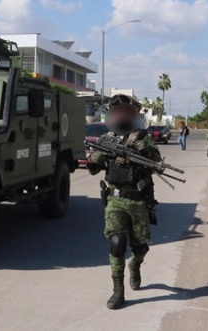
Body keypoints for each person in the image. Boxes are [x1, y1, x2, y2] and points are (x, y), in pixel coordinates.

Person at [87, 94, 161, 310]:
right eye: (117, 111)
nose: (121, 114)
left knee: (141, 247)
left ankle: (135, 265)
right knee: (117, 243)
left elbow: (156, 163)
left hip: (138, 200)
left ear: (132, 114)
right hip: (115, 199)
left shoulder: (142, 137)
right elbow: (92, 169)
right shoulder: (107, 138)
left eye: (125, 111)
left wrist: (138, 151)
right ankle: (118, 291)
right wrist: (99, 157)